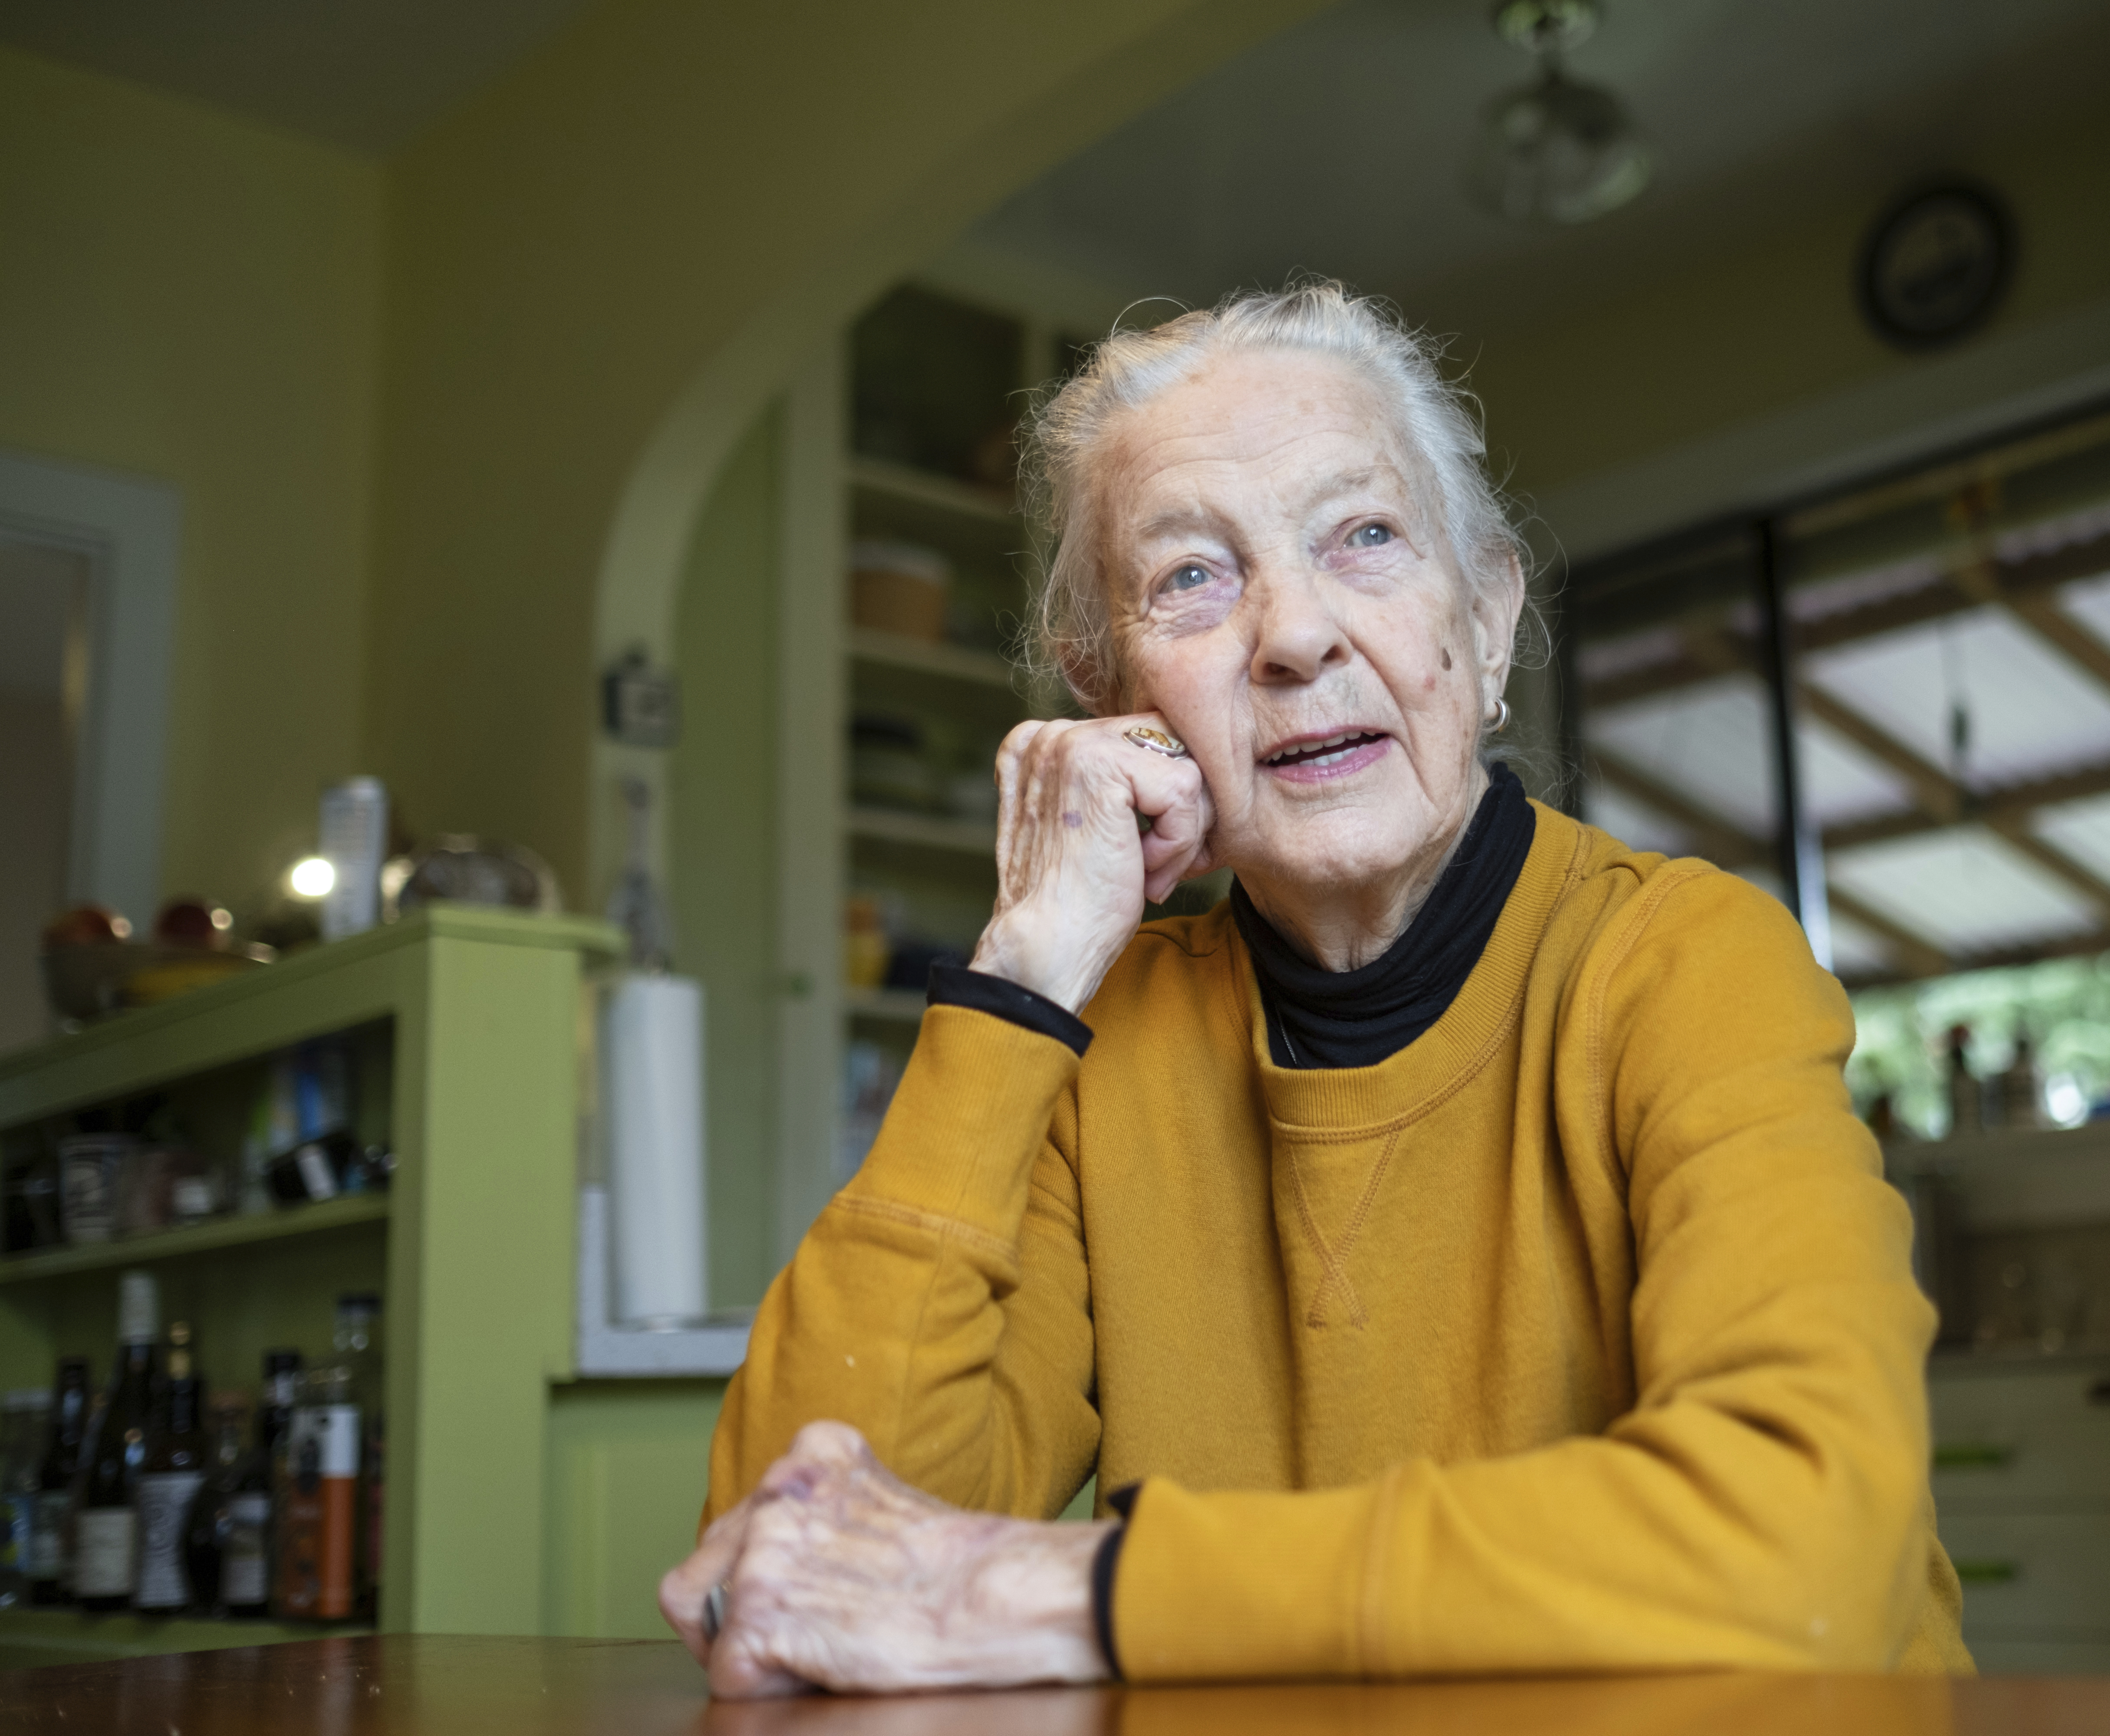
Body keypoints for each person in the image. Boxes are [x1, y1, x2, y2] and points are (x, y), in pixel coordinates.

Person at [661, 282, 1969, 1696]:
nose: (1294, 637)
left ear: (1484, 618)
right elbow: (784, 1556)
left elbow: (1806, 1543)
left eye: (1364, 537)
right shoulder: (1097, 1042)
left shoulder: (1686, 962)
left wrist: (1082, 1595)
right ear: (1116, 701)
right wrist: (1025, 971)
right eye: (1192, 580)